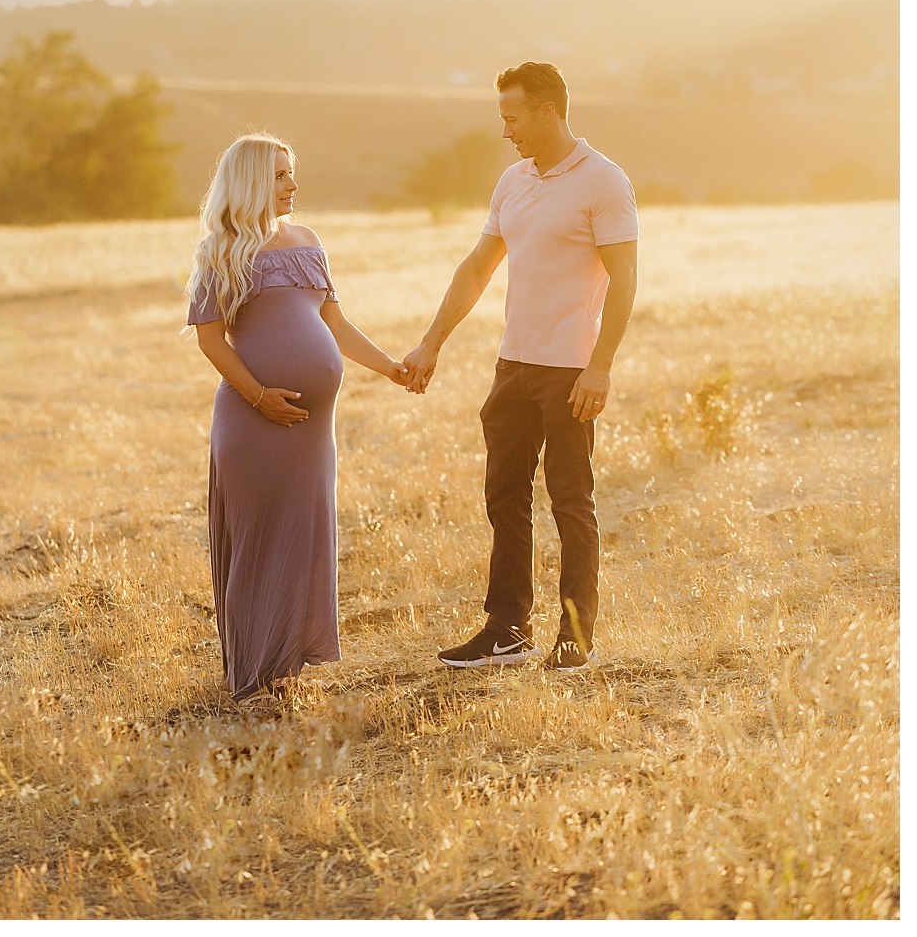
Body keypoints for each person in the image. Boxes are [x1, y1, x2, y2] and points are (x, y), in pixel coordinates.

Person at [403, 62, 638, 673]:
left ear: (547, 112)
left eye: (512, 117)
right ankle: (508, 629)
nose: (505, 130)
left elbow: (624, 282)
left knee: (570, 500)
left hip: (568, 371)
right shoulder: (513, 180)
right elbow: (478, 267)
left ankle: (576, 635)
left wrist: (600, 366)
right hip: (513, 366)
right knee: (504, 497)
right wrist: (432, 343)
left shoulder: (604, 181)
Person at [185, 133, 407, 701]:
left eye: (292, 173)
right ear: (253, 180)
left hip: (311, 431)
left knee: (301, 537)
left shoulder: (308, 241)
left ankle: (283, 670)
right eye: (281, 175)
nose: (292, 185)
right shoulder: (220, 249)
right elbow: (212, 342)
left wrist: (390, 368)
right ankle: (251, 678)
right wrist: (259, 396)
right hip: (252, 419)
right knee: (258, 538)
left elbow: (336, 323)